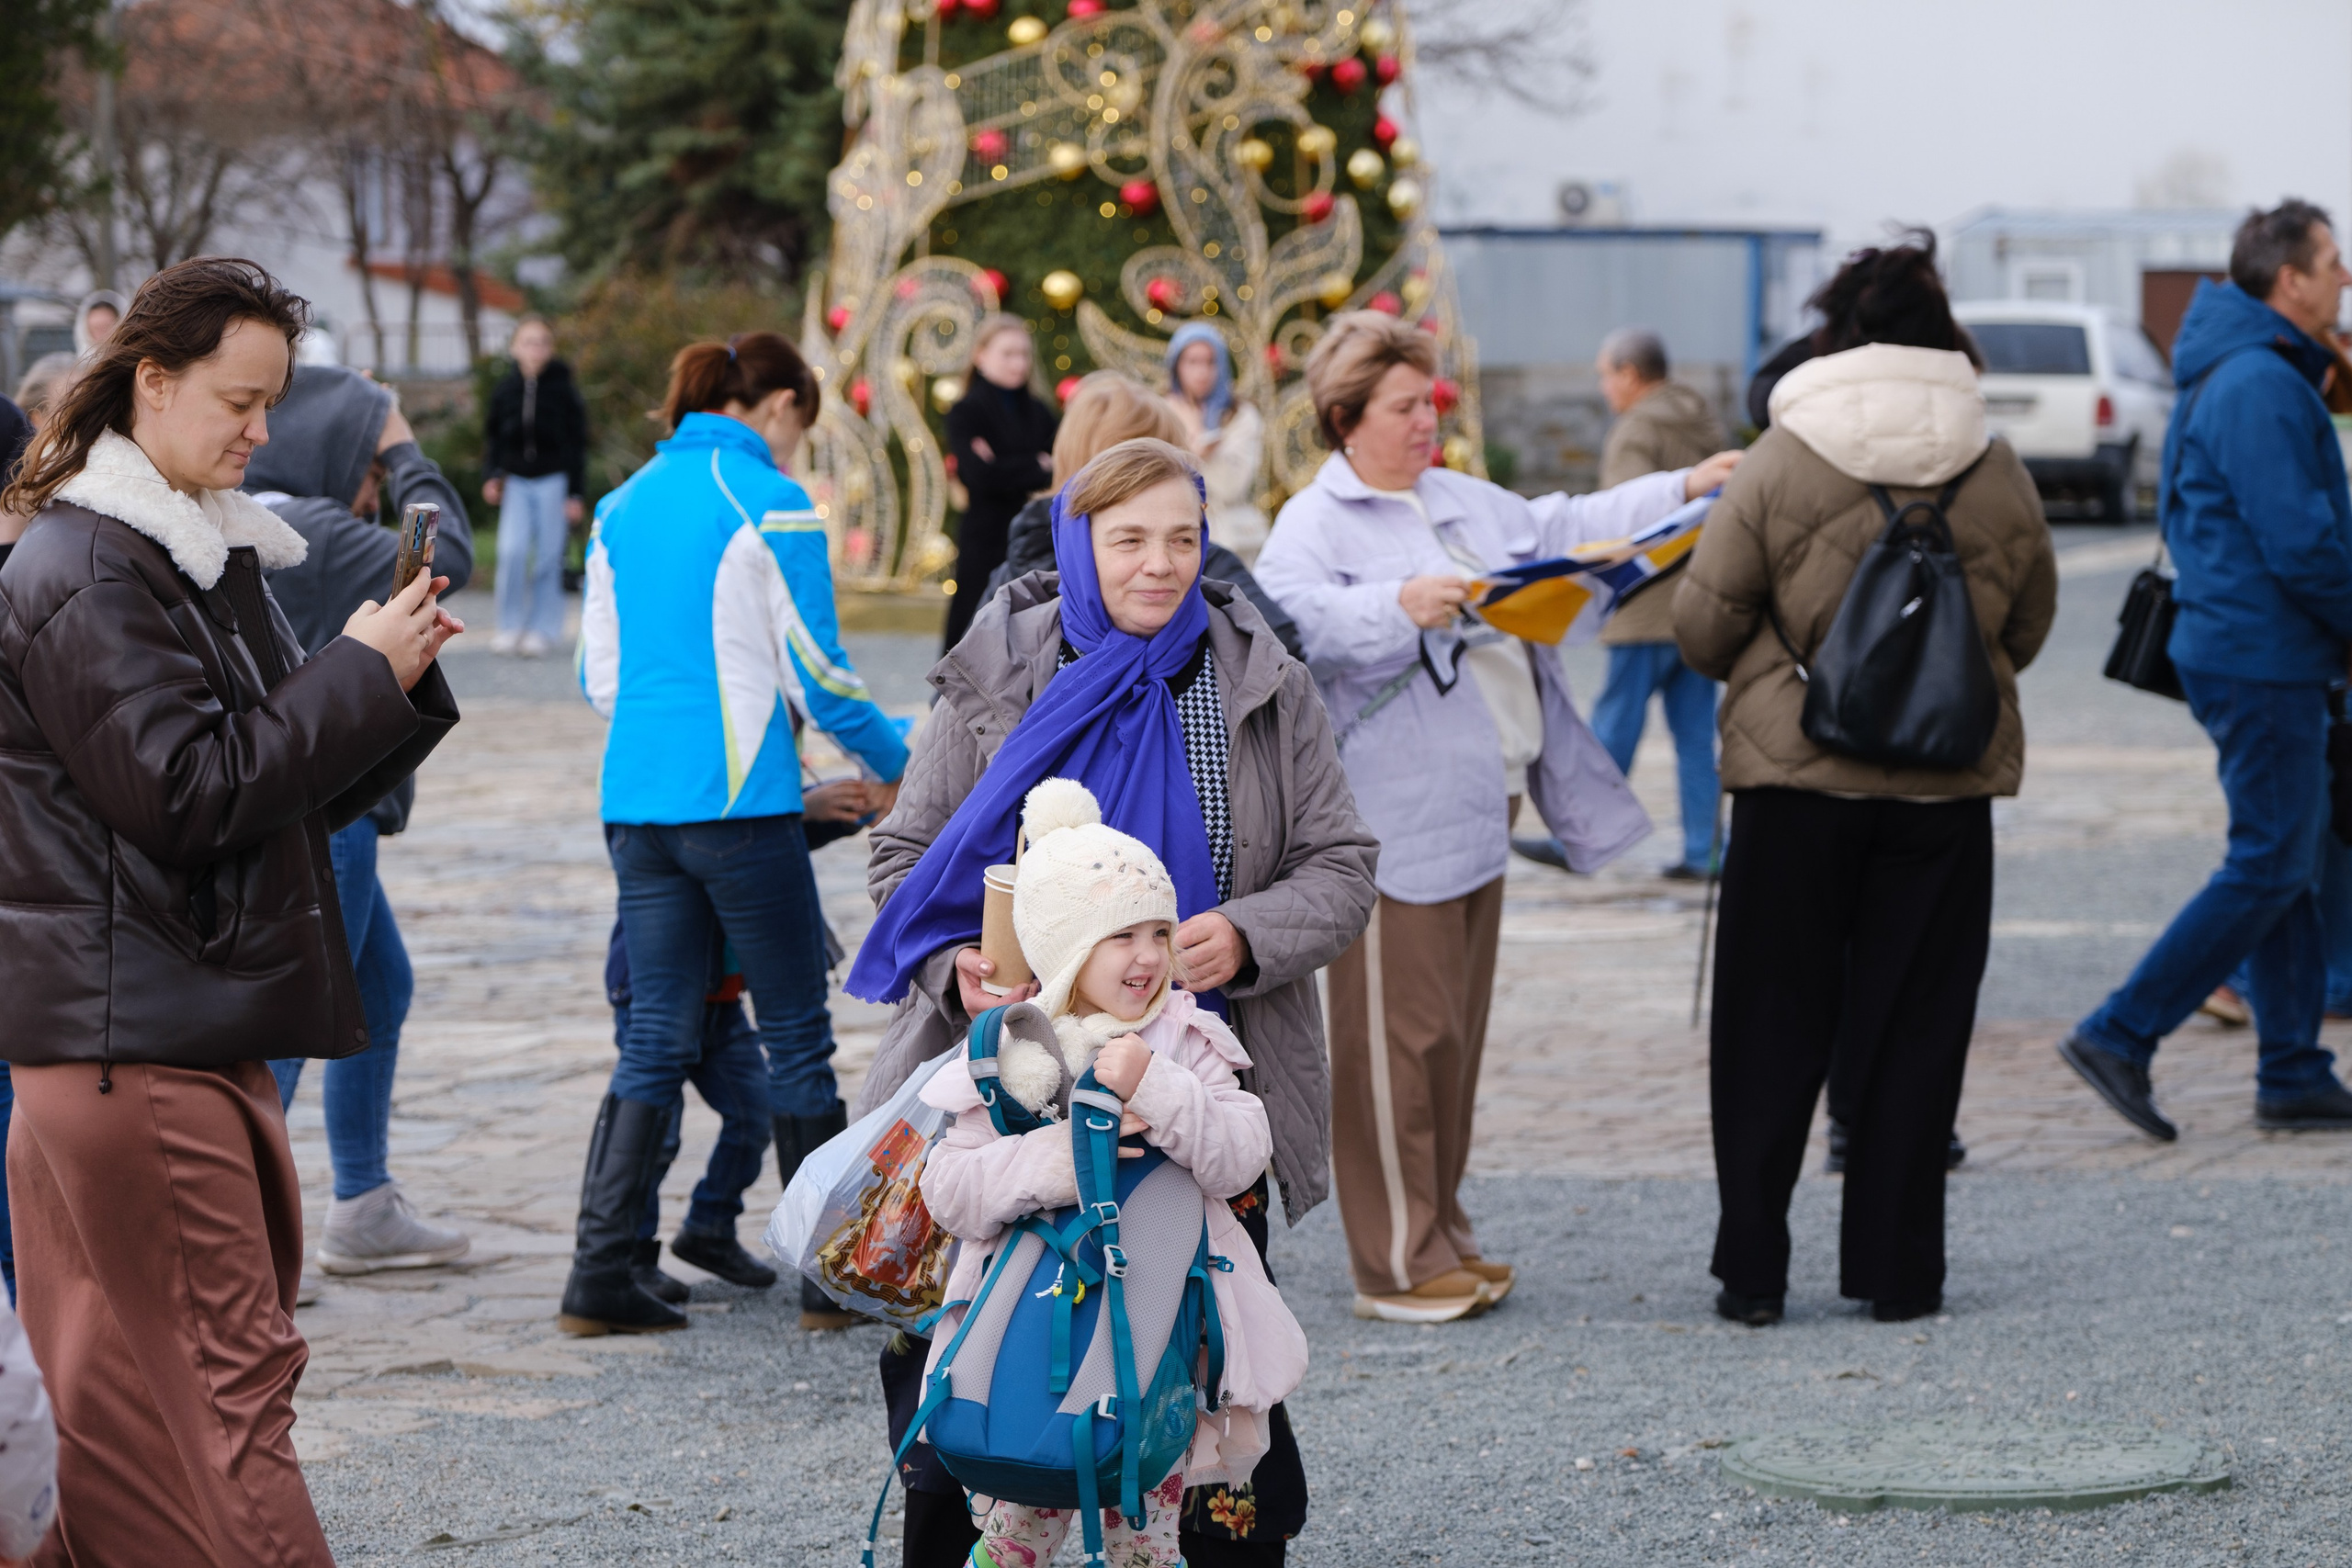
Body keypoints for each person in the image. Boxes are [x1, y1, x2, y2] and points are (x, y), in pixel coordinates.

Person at [0, 255, 459, 1565]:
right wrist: (354, 673)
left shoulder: (180, 547)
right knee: (226, 1394)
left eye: (270, 401)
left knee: (111, 1415)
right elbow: (190, 796)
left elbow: (272, 782)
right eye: (239, 400)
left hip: (127, 1035)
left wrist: (387, 678)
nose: (263, 429)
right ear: (152, 382)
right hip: (138, 1040)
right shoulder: (95, 567)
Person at [852, 436, 1375, 1568]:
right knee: (975, 1392)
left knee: (1213, 1384)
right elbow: (904, 858)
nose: (1160, 565)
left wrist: (1244, 934)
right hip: (1015, 1091)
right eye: (1127, 539)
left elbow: (1341, 868)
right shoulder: (1003, 669)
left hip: (1192, 1089)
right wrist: (957, 970)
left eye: (1181, 538)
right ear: (1080, 545)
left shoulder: (1259, 681)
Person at [1252, 311, 1736, 1324]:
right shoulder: (1316, 519)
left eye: (1429, 403)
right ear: (1347, 418)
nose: (1426, 422)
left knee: (1453, 1039)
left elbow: (1564, 526)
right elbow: (1290, 619)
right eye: (1403, 408)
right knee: (1398, 1040)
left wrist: (1682, 489)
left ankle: (1442, 1231)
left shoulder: (1458, 497)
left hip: (1481, 796)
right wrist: (1400, 603)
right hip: (1385, 813)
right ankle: (1392, 1257)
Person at [1672, 234, 2056, 1326]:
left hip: (1793, 790)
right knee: (1918, 1027)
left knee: (1768, 1027)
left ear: (1836, 331)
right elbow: (2025, 627)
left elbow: (1702, 628)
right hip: (1944, 792)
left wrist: (1791, 668)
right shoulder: (1997, 462)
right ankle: (1899, 1273)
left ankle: (1753, 1273)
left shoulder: (1782, 455)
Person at [567, 330, 908, 1336]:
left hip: (636, 802)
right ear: (774, 409)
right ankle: (825, 1280)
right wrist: (901, 768)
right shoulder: (769, 502)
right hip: (740, 809)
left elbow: (602, 680)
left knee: (654, 1039)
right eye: (800, 423)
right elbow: (822, 676)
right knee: (798, 1034)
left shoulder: (620, 506)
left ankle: (597, 1278)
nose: (798, 446)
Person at [917, 779, 1307, 1568]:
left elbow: (1241, 1153)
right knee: (1017, 1529)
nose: (1148, 955)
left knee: (1145, 1528)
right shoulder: (1017, 1054)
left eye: (1157, 931)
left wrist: (1158, 1086)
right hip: (1031, 1338)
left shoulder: (1187, 1037)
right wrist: (1056, 1160)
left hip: (1158, 1343)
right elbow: (949, 1189)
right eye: (1119, 934)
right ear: (1064, 946)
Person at [2060, 200, 2352, 1139]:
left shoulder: (2247, 371)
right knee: (2269, 863)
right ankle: (2120, 1031)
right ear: (2288, 279)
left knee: (2293, 862)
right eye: (2333, 264)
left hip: (2256, 648)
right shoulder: (2259, 384)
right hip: (2259, 655)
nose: (2345, 280)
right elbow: (2301, 545)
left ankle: (2292, 1067)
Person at [240, 363, 478, 1276]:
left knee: (379, 989)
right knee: (304, 1015)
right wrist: (400, 440)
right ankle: (260, 1240)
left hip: (306, 797)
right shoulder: (318, 530)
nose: (372, 491)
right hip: (336, 808)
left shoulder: (250, 524)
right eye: (367, 469)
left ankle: (365, 1201)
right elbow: (446, 550)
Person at [984, 369, 1303, 659]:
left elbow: (967, 688)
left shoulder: (1010, 580)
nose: (1158, 565)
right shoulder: (1209, 569)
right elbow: (1280, 653)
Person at [1584, 327, 1728, 880]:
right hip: (1697, 605)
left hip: (1643, 606)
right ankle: (1706, 851)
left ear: (1629, 374)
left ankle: (1583, 839)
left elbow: (1628, 517)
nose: (1603, 387)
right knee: (1696, 736)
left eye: (1605, 374)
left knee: (1612, 727)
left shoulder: (1636, 429)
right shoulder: (1703, 419)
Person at [943, 314, 1057, 651]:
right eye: (1008, 353)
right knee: (970, 623)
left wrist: (1004, 465)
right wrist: (1033, 464)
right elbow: (980, 476)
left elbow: (1056, 465)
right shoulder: (966, 411)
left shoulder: (1039, 411)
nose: (1018, 363)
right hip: (985, 533)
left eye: (1023, 354)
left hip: (1031, 531)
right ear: (981, 355)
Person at [482, 316, 589, 657]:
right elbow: (494, 438)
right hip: (516, 482)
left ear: (550, 348)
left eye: (542, 342)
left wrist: (575, 492)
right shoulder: (505, 389)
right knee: (512, 552)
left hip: (553, 481)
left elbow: (577, 443)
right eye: (528, 341)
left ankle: (543, 630)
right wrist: (492, 475)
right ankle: (509, 626)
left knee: (548, 557)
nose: (535, 349)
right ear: (515, 347)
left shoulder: (564, 390)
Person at [1166, 321, 1270, 563]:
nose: (1202, 371)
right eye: (1192, 362)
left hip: (1234, 544)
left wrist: (1199, 438)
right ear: (1176, 366)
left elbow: (1233, 487)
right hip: (1177, 540)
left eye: (1210, 362)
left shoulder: (1242, 415)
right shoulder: (1161, 411)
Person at [69, 290, 124, 358]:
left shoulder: (133, 364)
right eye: (96, 328)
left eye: (106, 327)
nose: (101, 335)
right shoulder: (72, 366)